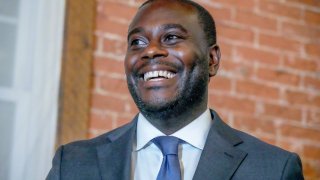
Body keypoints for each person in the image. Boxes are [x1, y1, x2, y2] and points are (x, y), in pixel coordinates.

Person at [47, 0, 304, 179]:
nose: (149, 50)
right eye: (137, 42)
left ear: (212, 60)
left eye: (171, 37)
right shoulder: (72, 164)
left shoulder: (273, 169)